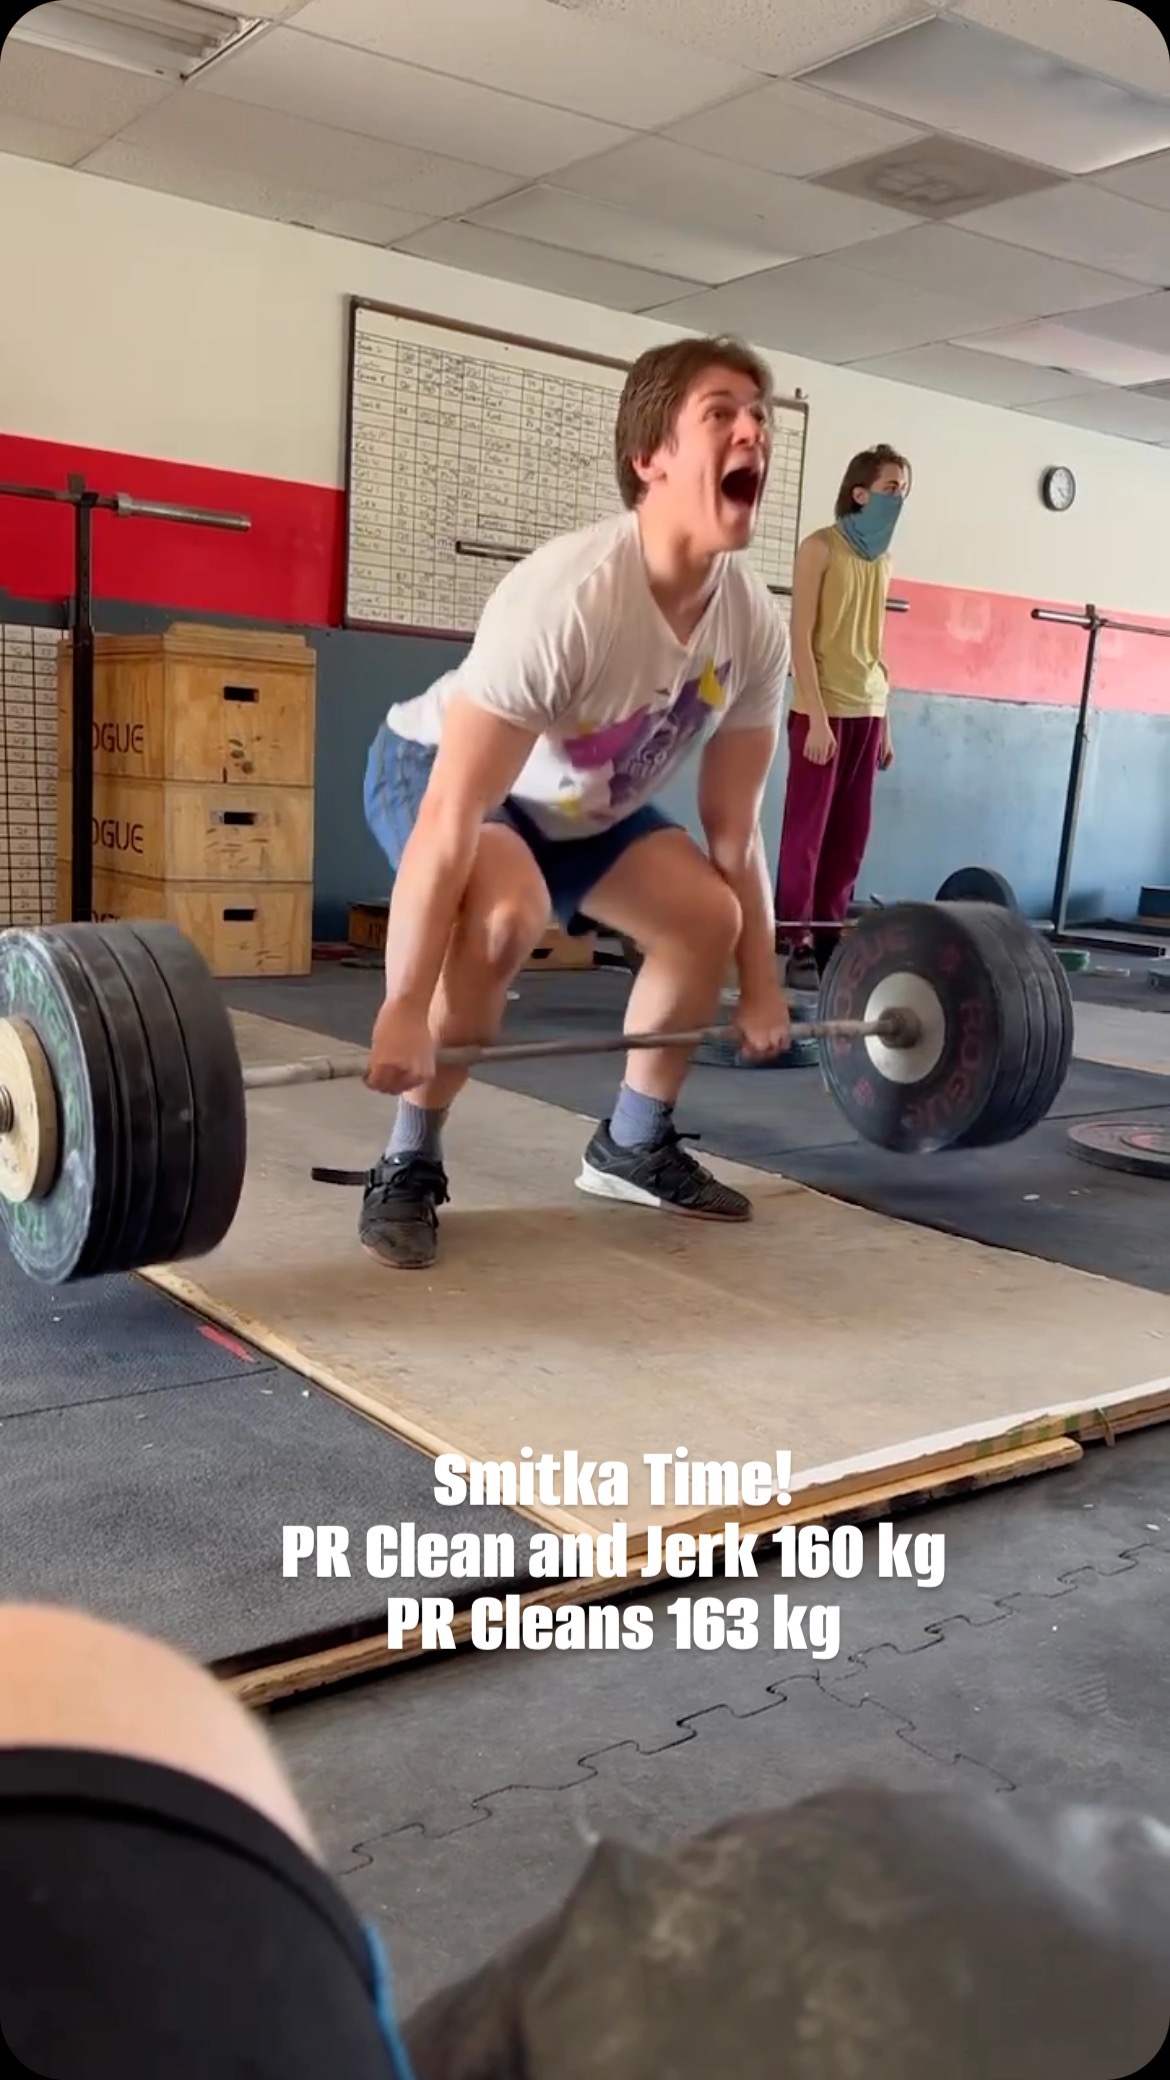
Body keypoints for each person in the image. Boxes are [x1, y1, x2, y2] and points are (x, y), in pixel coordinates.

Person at [358, 335, 794, 1271]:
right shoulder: (570, 598)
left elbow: (734, 827)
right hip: (441, 772)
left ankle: (632, 1145)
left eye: (759, 414)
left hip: (581, 806)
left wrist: (759, 977)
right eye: (721, 413)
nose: (752, 428)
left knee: (703, 916)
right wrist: (401, 1003)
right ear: (652, 459)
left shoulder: (752, 623)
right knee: (504, 915)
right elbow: (447, 818)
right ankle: (406, 1159)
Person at [775, 443, 910, 994]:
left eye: (903, 490)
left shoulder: (883, 560)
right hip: (822, 708)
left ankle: (830, 932)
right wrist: (818, 718)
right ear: (861, 493)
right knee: (808, 830)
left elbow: (875, 643)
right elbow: (800, 637)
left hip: (867, 708)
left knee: (851, 833)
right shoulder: (819, 549)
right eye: (890, 489)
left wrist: (887, 721)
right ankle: (796, 938)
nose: (898, 499)